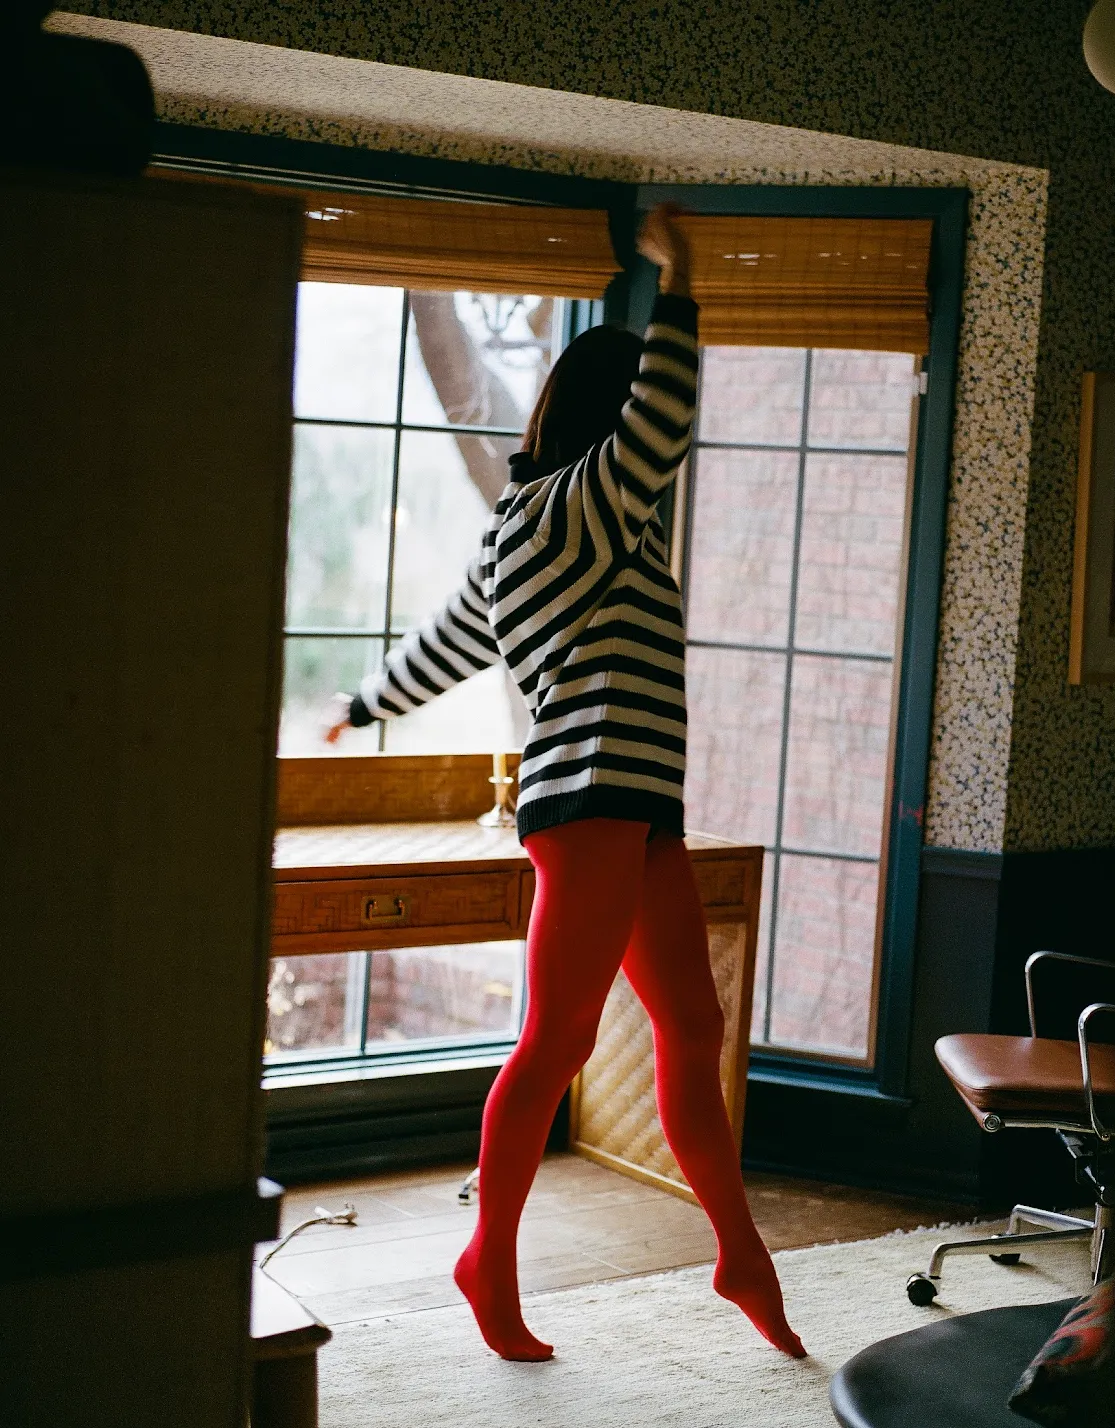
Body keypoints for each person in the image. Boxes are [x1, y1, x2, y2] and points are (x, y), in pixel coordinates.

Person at [325, 203, 806, 1363]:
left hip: (638, 809)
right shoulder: (575, 508)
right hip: (591, 797)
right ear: (607, 420)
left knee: (692, 1025)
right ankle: (486, 1259)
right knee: (557, 1040)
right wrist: (677, 282)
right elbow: (664, 422)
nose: (652, 449)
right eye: (630, 412)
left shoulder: (546, 527)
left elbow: (449, 641)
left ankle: (738, 1251)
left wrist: (359, 706)